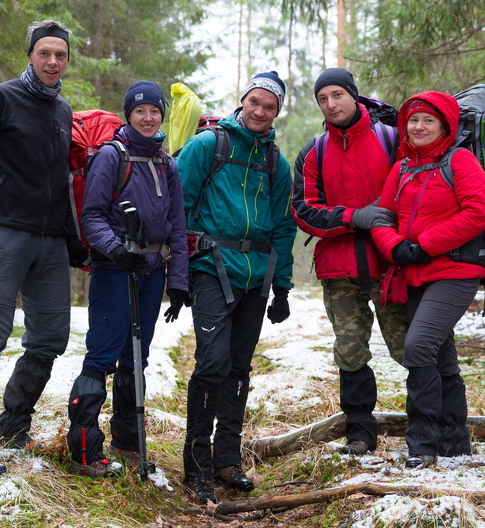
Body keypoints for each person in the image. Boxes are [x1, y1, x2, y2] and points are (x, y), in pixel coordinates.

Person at [0, 20, 89, 476]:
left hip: (50, 243)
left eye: (61, 55)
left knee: (50, 338)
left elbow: (61, 181)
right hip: (1, 235)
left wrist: (71, 237)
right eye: (45, 53)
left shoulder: (62, 111)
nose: (54, 61)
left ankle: (14, 425)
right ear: (31, 55)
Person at [176, 71, 296, 503]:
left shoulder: (275, 162)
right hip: (212, 268)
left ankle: (227, 460)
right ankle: (196, 464)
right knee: (212, 364)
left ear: (276, 112)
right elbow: (179, 207)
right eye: (256, 102)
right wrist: (180, 274)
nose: (261, 112)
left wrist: (281, 286)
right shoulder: (209, 145)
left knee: (239, 369)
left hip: (256, 276)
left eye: (270, 106)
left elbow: (283, 226)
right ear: (242, 101)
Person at [66, 81, 188, 477]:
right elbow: (93, 216)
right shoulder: (110, 157)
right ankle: (85, 449)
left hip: (153, 274)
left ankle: (128, 442)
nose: (148, 118)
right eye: (140, 112)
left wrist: (180, 283)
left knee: (136, 359)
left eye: (155, 111)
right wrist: (116, 250)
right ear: (129, 115)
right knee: (102, 357)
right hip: (115, 270)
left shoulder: (167, 164)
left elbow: (176, 226)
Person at [291, 68, 410, 457]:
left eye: (337, 94)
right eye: (323, 98)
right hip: (339, 269)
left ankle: (430, 428)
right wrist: (352, 217)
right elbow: (304, 210)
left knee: (411, 348)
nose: (331, 104)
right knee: (350, 351)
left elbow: (416, 190)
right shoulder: (314, 151)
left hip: (391, 262)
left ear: (354, 96)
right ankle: (360, 434)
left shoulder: (390, 138)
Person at [371, 91, 485, 469]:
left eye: (428, 121)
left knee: (418, 346)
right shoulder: (403, 167)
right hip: (415, 272)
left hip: (455, 271)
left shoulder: (461, 160)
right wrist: (395, 248)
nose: (419, 127)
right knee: (441, 356)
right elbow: (381, 217)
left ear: (444, 126)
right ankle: (455, 442)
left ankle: (422, 444)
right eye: (413, 121)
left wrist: (423, 245)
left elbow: (478, 212)